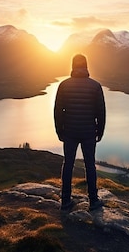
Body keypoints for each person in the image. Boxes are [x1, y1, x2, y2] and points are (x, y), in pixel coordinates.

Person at [54, 54, 106, 212]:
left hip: (69, 131)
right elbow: (101, 112)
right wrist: (100, 132)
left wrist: (59, 131)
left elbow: (58, 111)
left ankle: (65, 200)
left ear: (72, 66)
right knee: (90, 165)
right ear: (86, 66)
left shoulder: (64, 85)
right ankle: (93, 200)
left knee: (68, 164)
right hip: (89, 132)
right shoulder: (95, 86)